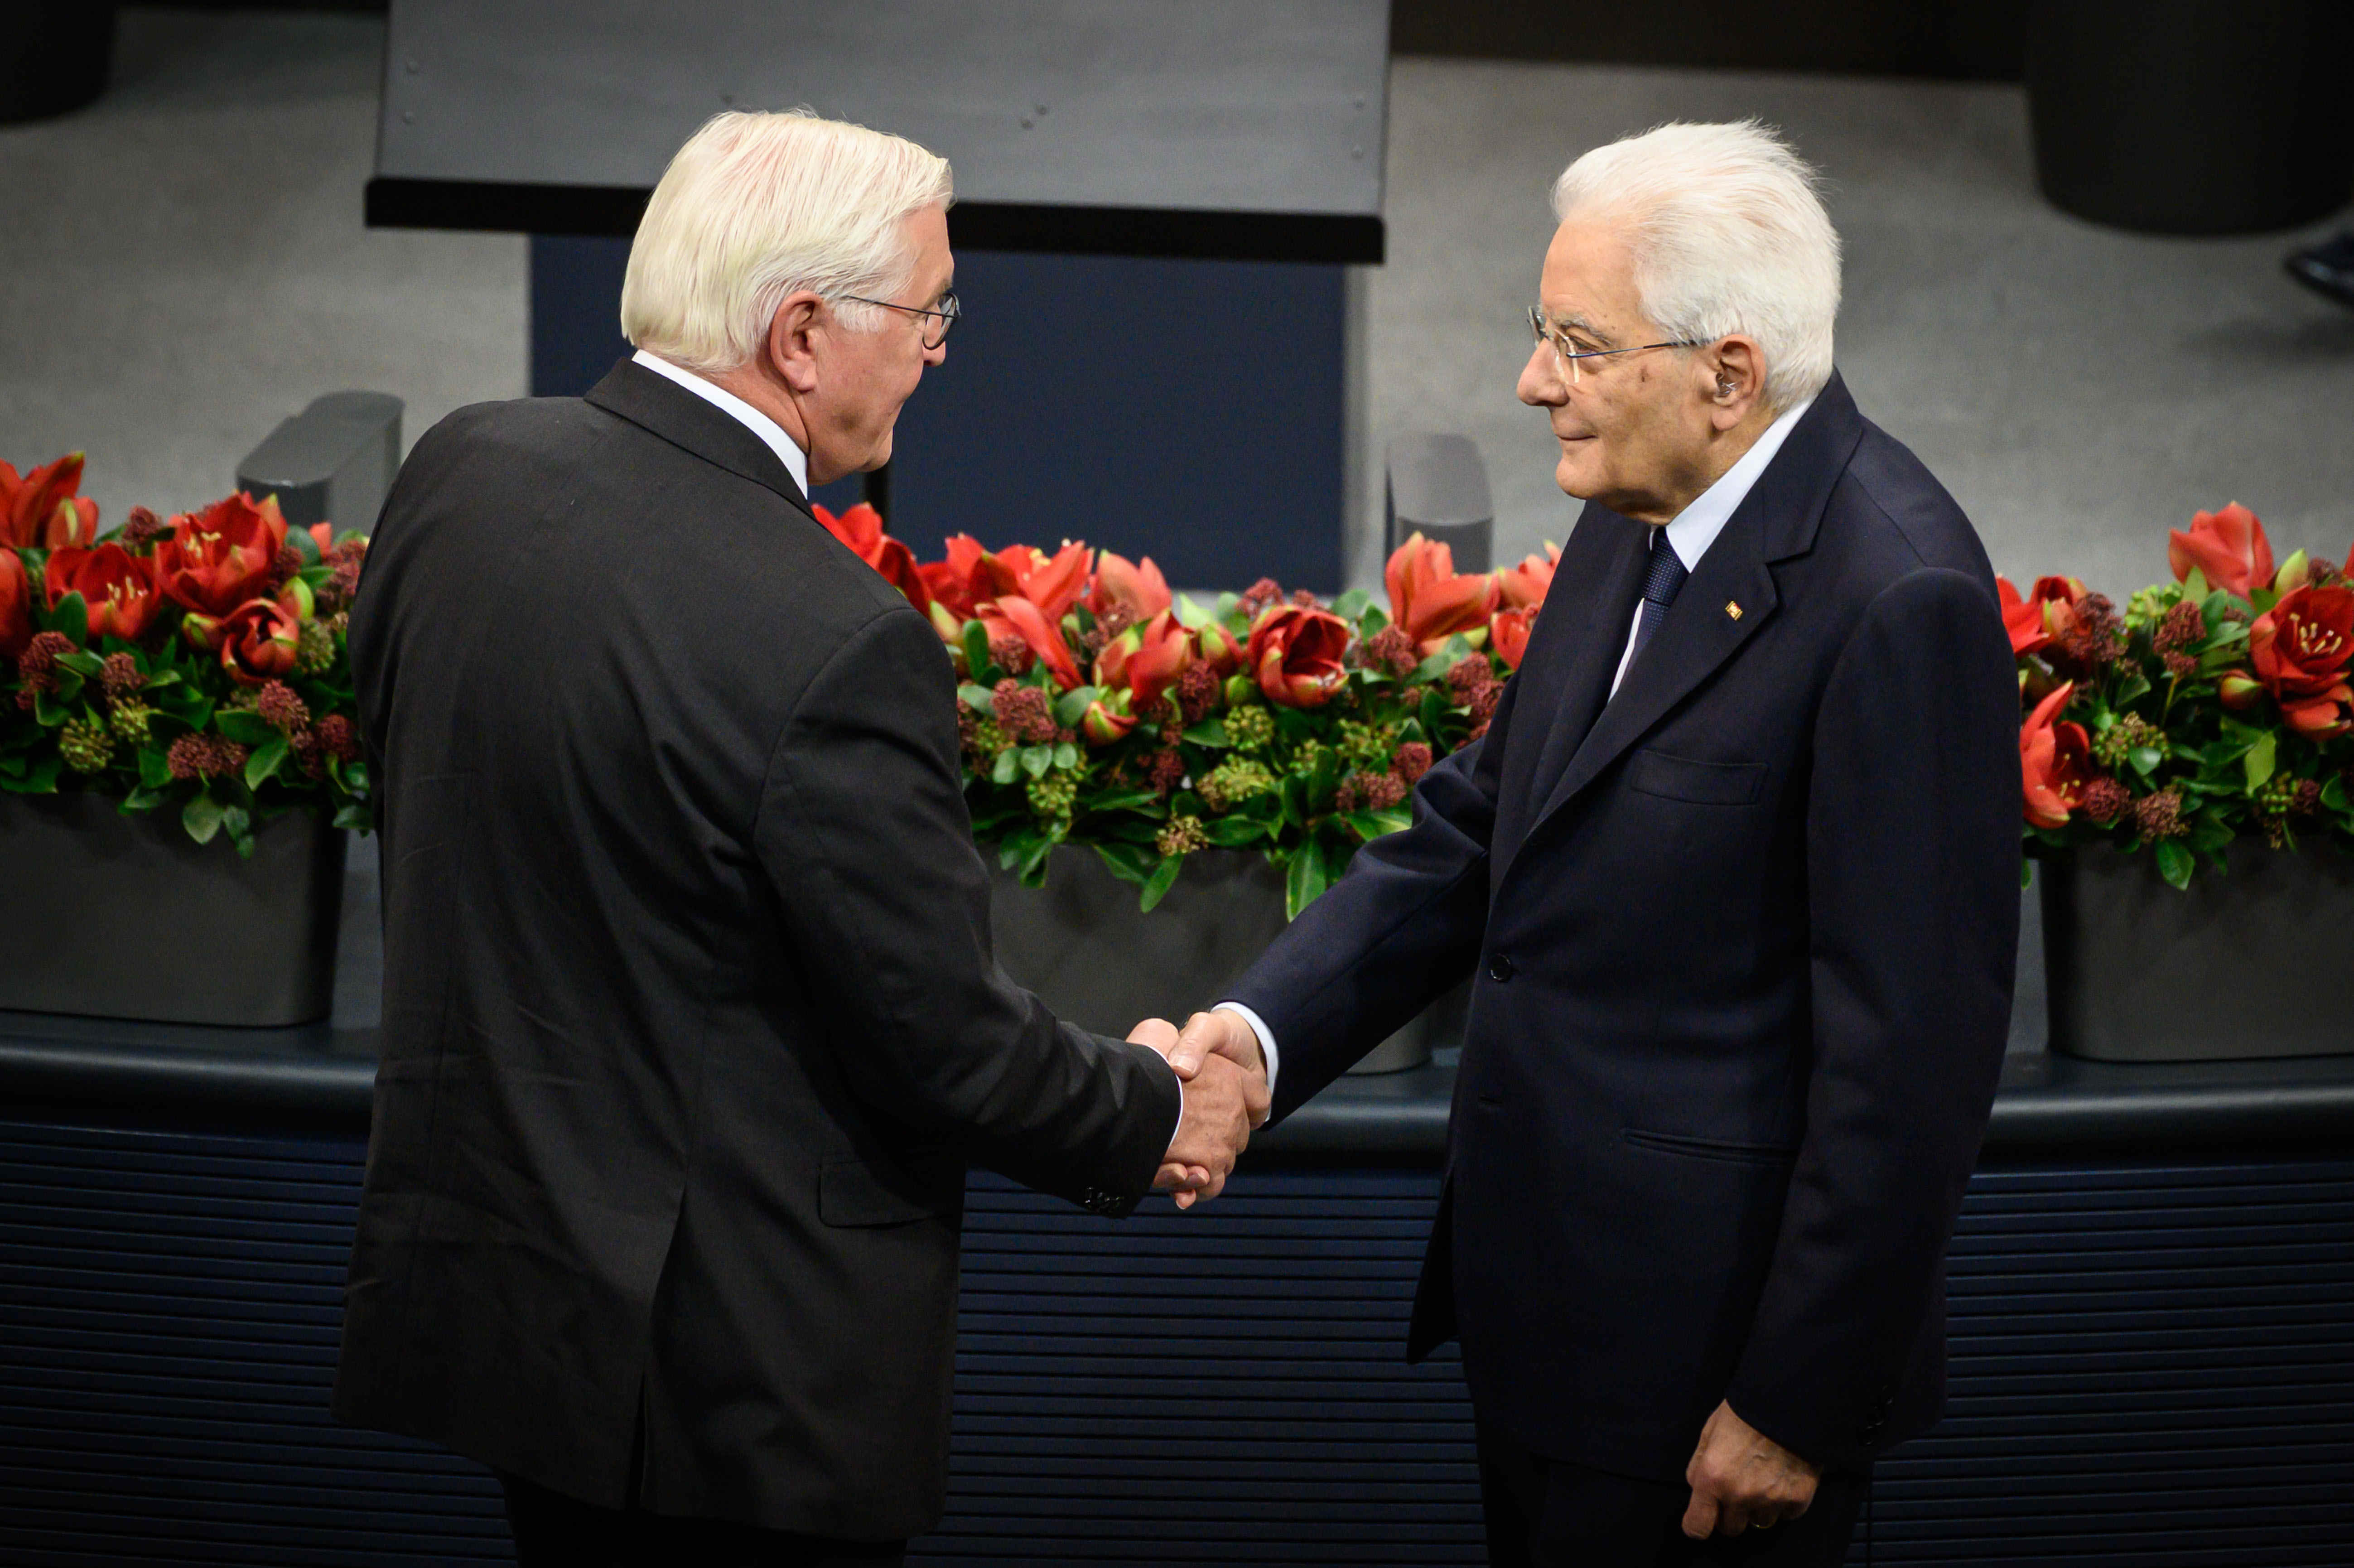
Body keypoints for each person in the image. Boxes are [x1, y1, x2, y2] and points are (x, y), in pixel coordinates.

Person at [333, 110, 1261, 1568]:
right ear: (803, 334)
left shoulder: (460, 476)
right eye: (926, 309)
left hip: (511, 1312)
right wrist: (1155, 1113)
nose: (941, 346)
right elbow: (940, 1039)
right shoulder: (831, 638)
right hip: (729, 1392)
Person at [1167, 121, 2019, 1568]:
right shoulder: (1644, 504)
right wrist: (1254, 1045)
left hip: (1708, 1400)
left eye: (1576, 342)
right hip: (1548, 1337)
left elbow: (1908, 1070)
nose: (1529, 382)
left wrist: (1793, 1404)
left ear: (1726, 374)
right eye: (1537, 332)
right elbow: (1486, 828)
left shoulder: (1898, 601)